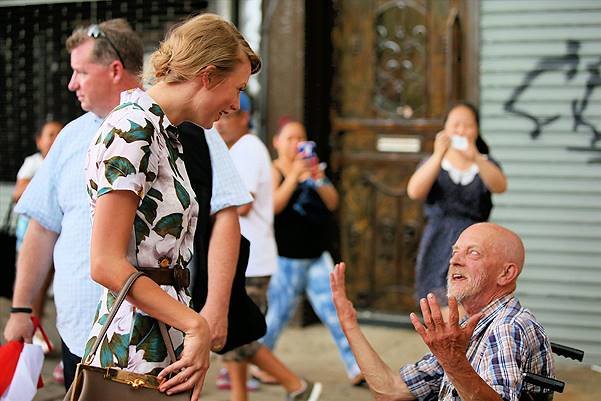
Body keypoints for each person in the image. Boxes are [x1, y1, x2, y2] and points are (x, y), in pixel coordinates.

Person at [81, 13, 260, 400]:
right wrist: (195, 325)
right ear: (208, 75)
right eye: (237, 87)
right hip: (133, 352)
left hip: (160, 341)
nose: (236, 103)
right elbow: (105, 263)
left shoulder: (165, 132)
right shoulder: (133, 129)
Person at [4, 19, 143, 391]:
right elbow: (42, 227)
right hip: (79, 336)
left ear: (114, 70)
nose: (72, 83)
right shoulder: (69, 137)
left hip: (147, 342)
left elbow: (224, 214)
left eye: (81, 72)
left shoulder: (173, 126)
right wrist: (22, 310)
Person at [330, 222, 556, 401]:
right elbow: (390, 391)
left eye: (473, 253)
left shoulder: (507, 326)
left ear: (506, 274)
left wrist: (453, 361)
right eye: (455, 252)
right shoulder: (470, 326)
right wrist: (348, 323)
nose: (455, 260)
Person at [214, 93, 322, 401]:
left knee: (238, 335)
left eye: (227, 115)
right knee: (234, 336)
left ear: (244, 117)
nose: (220, 123)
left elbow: (242, 205)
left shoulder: (248, 149)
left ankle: (297, 385)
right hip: (241, 257)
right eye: (218, 115)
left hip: (251, 260)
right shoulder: (238, 149)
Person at [262, 118, 363, 385]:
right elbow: (273, 207)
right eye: (290, 139)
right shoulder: (274, 170)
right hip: (286, 258)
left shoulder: (312, 168)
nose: (296, 144)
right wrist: (294, 176)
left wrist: (317, 177)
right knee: (276, 317)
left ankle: (356, 367)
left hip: (317, 256)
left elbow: (332, 202)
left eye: (300, 138)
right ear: (277, 142)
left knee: (335, 312)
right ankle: (257, 362)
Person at [406, 102, 507, 314]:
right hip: (438, 241)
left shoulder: (484, 162)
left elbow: (500, 186)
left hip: (474, 245)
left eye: (468, 125)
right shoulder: (434, 162)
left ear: (477, 130)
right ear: (445, 129)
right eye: (456, 125)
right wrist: (437, 155)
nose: (461, 130)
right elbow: (414, 191)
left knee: (467, 305)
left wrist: (476, 158)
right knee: (436, 309)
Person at [12, 120, 62, 317]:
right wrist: (47, 181)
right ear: (39, 141)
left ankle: (37, 327)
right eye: (50, 135)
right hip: (31, 235)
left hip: (57, 234)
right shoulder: (33, 163)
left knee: (46, 282)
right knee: (33, 283)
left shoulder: (64, 161)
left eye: (60, 134)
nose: (56, 139)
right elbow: (18, 192)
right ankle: (30, 329)